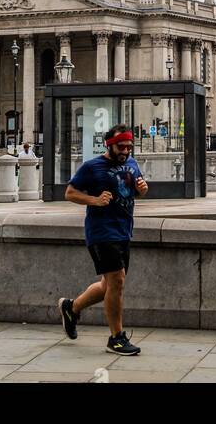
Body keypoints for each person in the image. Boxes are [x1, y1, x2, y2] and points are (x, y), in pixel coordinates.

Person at [58, 123, 148, 355]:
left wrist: (142, 189)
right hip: (101, 232)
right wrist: (95, 200)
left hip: (124, 230)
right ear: (109, 145)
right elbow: (70, 193)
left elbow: (135, 189)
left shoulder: (131, 163)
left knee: (108, 285)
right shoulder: (92, 167)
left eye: (129, 147)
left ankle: (71, 308)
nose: (126, 151)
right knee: (117, 280)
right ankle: (116, 338)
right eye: (121, 147)